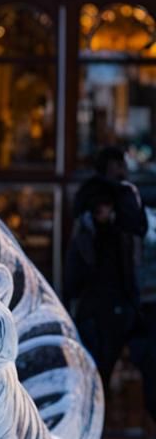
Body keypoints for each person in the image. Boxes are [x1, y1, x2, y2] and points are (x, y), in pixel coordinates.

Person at [65, 146, 155, 421]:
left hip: (116, 300)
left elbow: (137, 227)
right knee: (100, 369)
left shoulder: (119, 197)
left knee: (103, 369)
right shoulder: (104, 200)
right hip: (106, 301)